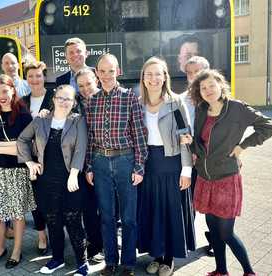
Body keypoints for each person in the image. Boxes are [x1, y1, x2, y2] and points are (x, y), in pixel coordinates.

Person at [189, 69, 272, 276]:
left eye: (212, 85)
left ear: (221, 85)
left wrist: (242, 146)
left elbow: (269, 126)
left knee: (226, 233)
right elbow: (201, 146)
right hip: (205, 177)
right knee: (214, 231)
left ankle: (249, 272)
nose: (208, 90)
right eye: (203, 88)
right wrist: (190, 144)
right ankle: (221, 270)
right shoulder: (201, 110)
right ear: (199, 92)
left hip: (226, 179)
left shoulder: (237, 108)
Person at [85, 54, 148, 276]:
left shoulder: (130, 97)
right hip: (100, 162)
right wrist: (89, 166)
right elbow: (91, 137)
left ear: (118, 71)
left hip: (125, 161)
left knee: (129, 218)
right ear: (96, 73)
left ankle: (128, 264)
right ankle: (110, 261)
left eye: (111, 71)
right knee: (107, 216)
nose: (106, 75)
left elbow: (140, 135)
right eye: (102, 71)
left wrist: (139, 167)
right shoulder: (92, 101)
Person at [18, 84, 89, 275]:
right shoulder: (41, 120)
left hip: (70, 179)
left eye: (68, 99)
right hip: (45, 180)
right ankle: (57, 259)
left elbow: (81, 149)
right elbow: (22, 140)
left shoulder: (78, 121)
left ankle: (82, 262)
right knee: (53, 220)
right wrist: (29, 163)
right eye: (61, 98)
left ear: (74, 102)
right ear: (54, 99)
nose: (64, 102)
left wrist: (74, 173)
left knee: (73, 220)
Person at [136, 57, 195, 276]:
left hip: (171, 163)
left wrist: (186, 170)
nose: (153, 78)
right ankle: (156, 255)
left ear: (164, 77)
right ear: (143, 77)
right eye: (149, 74)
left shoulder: (175, 102)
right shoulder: (137, 103)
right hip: (147, 164)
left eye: (157, 74)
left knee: (170, 211)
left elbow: (185, 136)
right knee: (152, 210)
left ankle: (168, 260)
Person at [0, 74, 36, 269]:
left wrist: (0, 147)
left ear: (13, 90)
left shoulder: (23, 115)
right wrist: (12, 145)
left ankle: (17, 250)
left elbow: (26, 146)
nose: (1, 95)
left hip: (17, 171)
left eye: (5, 91)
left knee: (17, 215)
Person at [180, 55, 214, 257]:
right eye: (189, 72)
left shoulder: (216, 99)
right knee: (189, 201)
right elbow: (181, 129)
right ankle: (186, 237)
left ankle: (214, 240)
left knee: (212, 204)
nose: (192, 76)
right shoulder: (181, 99)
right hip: (190, 160)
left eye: (197, 72)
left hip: (211, 161)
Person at [21, 60, 52, 254]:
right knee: (35, 197)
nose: (34, 79)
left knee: (52, 198)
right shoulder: (22, 101)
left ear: (44, 77)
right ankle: (41, 234)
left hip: (52, 156)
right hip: (30, 158)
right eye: (30, 76)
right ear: (26, 78)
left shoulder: (54, 97)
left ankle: (56, 232)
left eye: (38, 75)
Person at [74, 69, 104, 262]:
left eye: (89, 84)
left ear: (97, 81)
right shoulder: (75, 104)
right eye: (81, 86)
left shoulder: (106, 100)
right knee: (89, 207)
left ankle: (109, 242)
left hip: (106, 161)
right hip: (83, 164)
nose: (85, 89)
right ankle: (95, 245)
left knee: (109, 207)